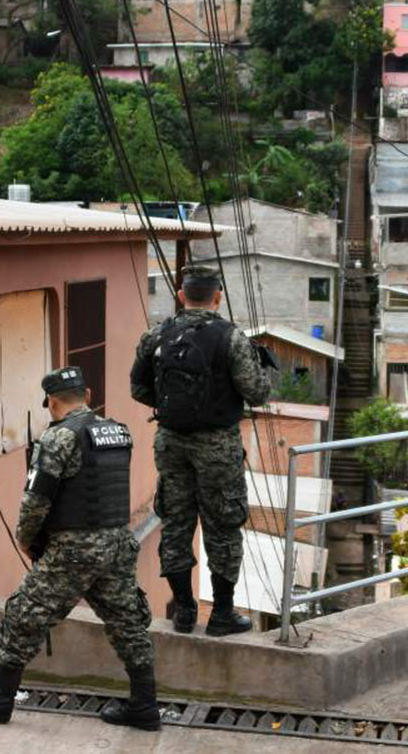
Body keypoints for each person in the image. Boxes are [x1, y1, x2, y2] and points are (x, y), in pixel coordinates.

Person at [0, 367, 159, 731]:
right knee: (127, 623)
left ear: (51, 402)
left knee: (23, 613)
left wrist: (27, 538)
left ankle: (0, 698)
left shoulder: (58, 439)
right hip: (117, 543)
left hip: (75, 548)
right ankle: (145, 706)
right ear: (88, 395)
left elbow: (37, 500)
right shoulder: (118, 432)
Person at [129, 264, 272, 636]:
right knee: (223, 524)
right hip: (218, 445)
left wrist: (172, 409)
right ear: (218, 296)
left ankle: (185, 612)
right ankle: (222, 613)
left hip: (171, 441)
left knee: (175, 522)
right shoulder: (231, 337)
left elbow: (139, 389)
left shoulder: (157, 335)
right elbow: (256, 393)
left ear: (181, 295)